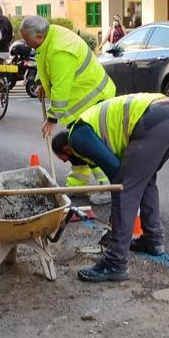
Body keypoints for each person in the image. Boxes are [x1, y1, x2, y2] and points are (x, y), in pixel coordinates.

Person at [52, 93, 169, 282]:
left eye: (66, 159)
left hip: (154, 119)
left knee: (125, 188)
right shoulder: (90, 128)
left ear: (67, 148)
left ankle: (115, 262)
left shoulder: (77, 136)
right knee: (146, 180)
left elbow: (117, 177)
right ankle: (153, 239)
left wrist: (114, 224)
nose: (70, 163)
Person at [19, 15, 116, 204]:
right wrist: (41, 83)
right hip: (81, 100)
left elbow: (61, 89)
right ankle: (78, 184)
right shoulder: (49, 38)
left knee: (92, 147)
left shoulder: (59, 51)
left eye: (26, 39)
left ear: (39, 36)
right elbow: (44, 64)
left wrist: (52, 118)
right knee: (77, 146)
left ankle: (107, 188)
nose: (25, 43)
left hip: (93, 98)